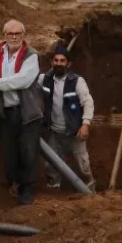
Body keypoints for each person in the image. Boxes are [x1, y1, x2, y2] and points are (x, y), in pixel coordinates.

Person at [0, 19, 42, 205]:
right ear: (4, 35)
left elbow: (21, 80)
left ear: (24, 35)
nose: (14, 37)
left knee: (28, 152)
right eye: (10, 34)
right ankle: (15, 184)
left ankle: (28, 189)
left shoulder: (31, 55)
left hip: (27, 112)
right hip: (6, 112)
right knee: (9, 153)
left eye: (18, 34)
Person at [37, 44, 96, 191]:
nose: (58, 63)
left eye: (62, 61)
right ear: (51, 62)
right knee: (50, 164)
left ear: (68, 64)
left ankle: (91, 192)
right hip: (55, 133)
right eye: (56, 60)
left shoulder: (76, 82)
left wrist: (85, 124)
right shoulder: (44, 79)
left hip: (74, 132)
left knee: (84, 166)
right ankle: (54, 190)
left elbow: (88, 102)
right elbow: (27, 86)